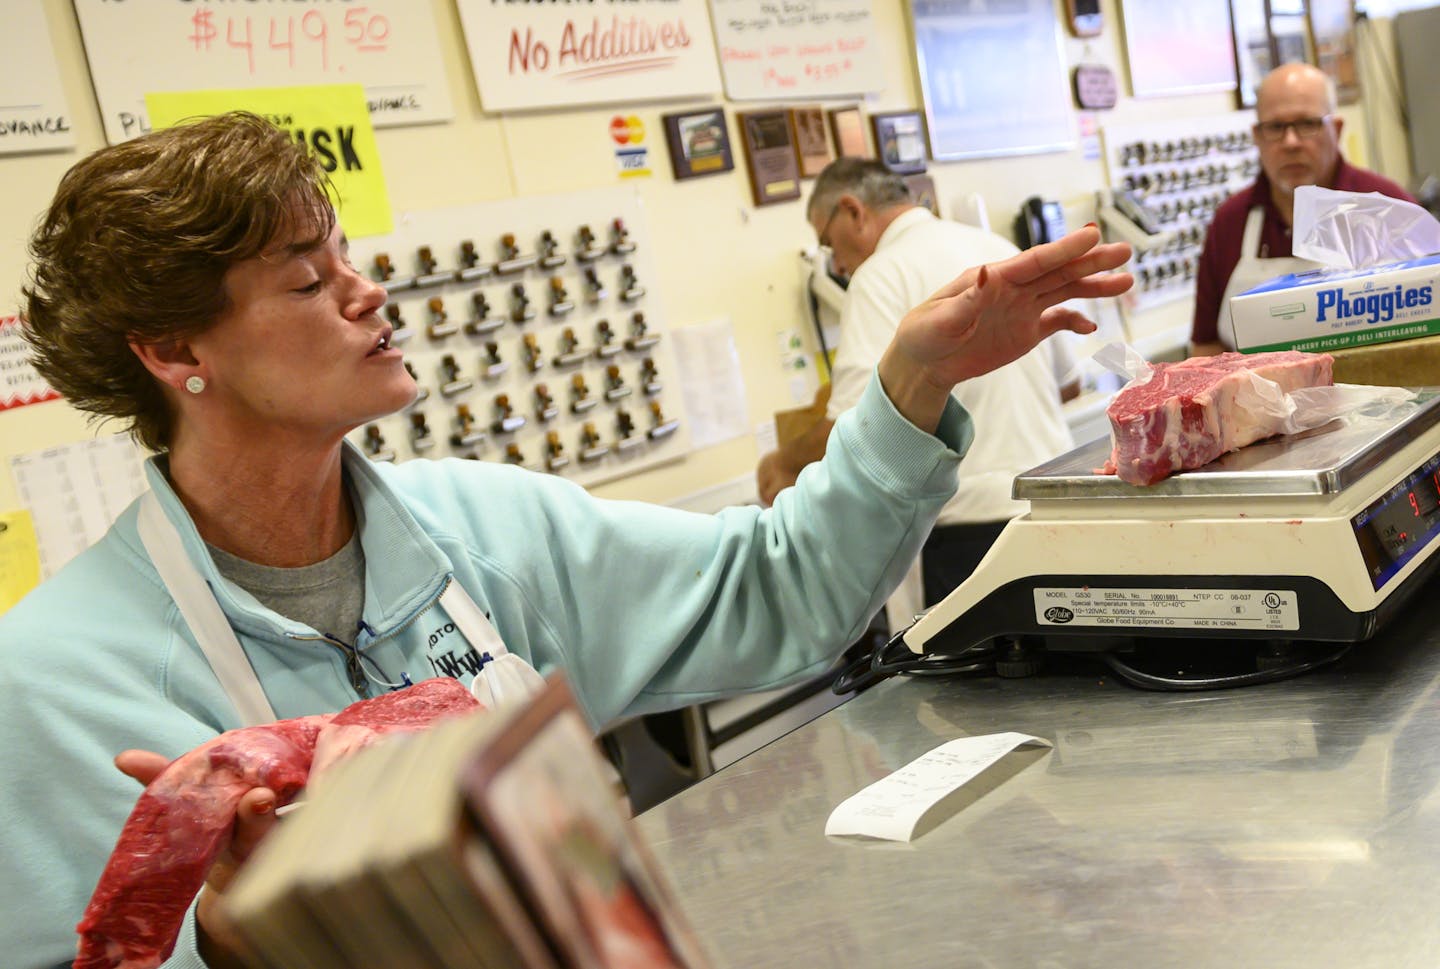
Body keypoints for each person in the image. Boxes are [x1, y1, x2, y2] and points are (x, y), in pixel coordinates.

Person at [0, 112, 1131, 969]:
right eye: (308, 277)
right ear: (168, 351)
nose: (367, 289)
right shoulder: (54, 683)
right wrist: (234, 942)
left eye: (345, 253)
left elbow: (779, 589)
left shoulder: (482, 532)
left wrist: (913, 379)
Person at [757, 158, 1080, 609]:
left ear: (853, 211)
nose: (840, 265)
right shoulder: (997, 246)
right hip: (1056, 511)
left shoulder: (880, 275)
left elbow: (853, 424)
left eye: (830, 244)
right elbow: (1068, 384)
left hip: (969, 531)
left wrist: (784, 461)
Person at [1190, 62, 1416, 355]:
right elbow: (1206, 345)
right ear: (1257, 136)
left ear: (1336, 129)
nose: (1291, 142)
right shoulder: (1231, 222)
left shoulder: (1388, 207)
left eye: (1307, 124)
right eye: (1275, 127)